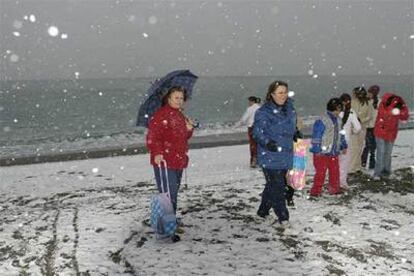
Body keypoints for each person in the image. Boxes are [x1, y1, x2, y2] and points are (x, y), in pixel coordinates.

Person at [146, 86, 194, 242]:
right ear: (168, 98)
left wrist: (189, 129)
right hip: (165, 161)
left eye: (181, 98)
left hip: (178, 160)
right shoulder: (161, 115)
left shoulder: (179, 114)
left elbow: (182, 137)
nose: (180, 101)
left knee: (172, 193)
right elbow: (152, 137)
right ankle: (164, 233)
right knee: (167, 195)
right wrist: (158, 152)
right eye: (176, 98)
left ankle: (170, 221)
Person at [253, 81, 296, 227]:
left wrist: (295, 132)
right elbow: (257, 132)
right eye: (280, 92)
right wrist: (268, 142)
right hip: (270, 154)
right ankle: (283, 218)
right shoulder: (263, 112)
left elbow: (290, 126)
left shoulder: (289, 108)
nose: (283, 95)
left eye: (285, 92)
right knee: (277, 187)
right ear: (272, 94)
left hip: (286, 153)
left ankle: (262, 212)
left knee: (274, 185)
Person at [309, 98, 347, 197]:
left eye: (340, 110)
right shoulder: (322, 120)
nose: (339, 112)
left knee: (335, 172)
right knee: (320, 173)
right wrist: (317, 149)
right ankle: (315, 191)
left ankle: (334, 189)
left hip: (334, 152)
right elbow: (316, 136)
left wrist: (343, 145)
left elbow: (341, 134)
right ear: (332, 109)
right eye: (338, 109)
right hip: (322, 153)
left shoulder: (338, 120)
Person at [372, 93, 409, 180]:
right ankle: (377, 173)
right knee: (381, 153)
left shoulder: (399, 104)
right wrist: (394, 111)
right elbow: (384, 114)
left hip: (391, 132)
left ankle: (386, 171)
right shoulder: (384, 104)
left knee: (387, 153)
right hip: (381, 131)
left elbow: (405, 117)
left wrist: (400, 111)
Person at [338, 93, 361, 190]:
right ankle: (342, 182)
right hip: (346, 140)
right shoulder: (351, 113)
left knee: (335, 163)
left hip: (335, 140)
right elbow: (358, 128)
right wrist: (352, 131)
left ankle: (334, 181)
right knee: (344, 163)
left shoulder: (336, 111)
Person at [349, 87, 373, 174]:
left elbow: (370, 116)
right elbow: (348, 115)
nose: (353, 95)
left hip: (362, 128)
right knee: (354, 148)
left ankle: (357, 167)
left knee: (359, 147)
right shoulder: (351, 102)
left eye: (354, 93)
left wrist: (361, 120)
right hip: (352, 128)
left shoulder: (368, 103)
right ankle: (351, 168)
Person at [235, 96, 261, 168]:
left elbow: (243, 119)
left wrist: (236, 126)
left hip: (252, 127)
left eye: (249, 101)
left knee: (253, 144)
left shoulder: (250, 109)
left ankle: (254, 160)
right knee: (258, 144)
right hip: (259, 128)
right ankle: (259, 160)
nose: (248, 103)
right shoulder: (260, 108)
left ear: (252, 101)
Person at [361, 85, 380, 169]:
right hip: (367, 126)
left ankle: (372, 164)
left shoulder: (379, 102)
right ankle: (363, 162)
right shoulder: (365, 102)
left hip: (376, 127)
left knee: (374, 146)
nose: (368, 94)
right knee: (368, 145)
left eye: (370, 93)